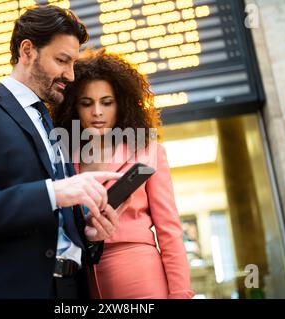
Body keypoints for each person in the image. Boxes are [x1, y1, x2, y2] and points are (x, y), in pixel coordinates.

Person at [0, 6, 126, 299]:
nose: (70, 74)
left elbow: (57, 227)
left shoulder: (51, 128)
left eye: (73, 63)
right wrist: (53, 194)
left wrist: (89, 235)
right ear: (27, 51)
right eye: (62, 60)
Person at [52, 50, 195, 299]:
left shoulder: (148, 151)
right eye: (87, 103)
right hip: (83, 279)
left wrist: (181, 294)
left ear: (121, 104)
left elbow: (169, 231)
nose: (97, 111)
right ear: (73, 107)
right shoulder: (65, 159)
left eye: (107, 102)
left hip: (139, 274)